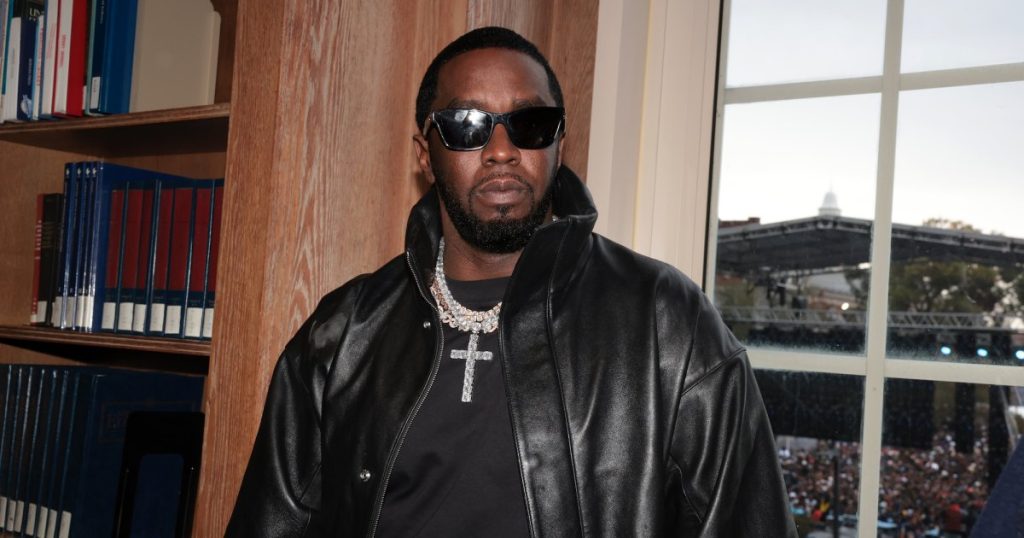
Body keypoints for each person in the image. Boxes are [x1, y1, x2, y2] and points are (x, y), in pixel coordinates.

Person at [227, 26, 796, 537]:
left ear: (559, 143)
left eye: (530, 124)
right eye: (466, 126)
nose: (501, 151)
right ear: (425, 154)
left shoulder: (668, 322)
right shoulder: (342, 333)